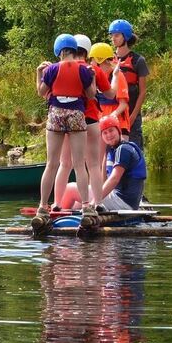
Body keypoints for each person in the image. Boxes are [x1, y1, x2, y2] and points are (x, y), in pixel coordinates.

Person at [33, 34, 97, 226]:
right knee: (79, 164)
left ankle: (43, 206)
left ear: (59, 51)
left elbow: (41, 92)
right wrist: (92, 78)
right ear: (74, 50)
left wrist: (39, 74)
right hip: (76, 114)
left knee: (52, 164)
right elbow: (91, 95)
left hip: (56, 114)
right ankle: (86, 205)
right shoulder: (84, 70)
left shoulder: (51, 70)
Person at [52, 35, 118, 211]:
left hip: (68, 122)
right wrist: (116, 76)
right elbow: (111, 94)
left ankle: (57, 203)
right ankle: (97, 203)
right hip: (90, 121)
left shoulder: (61, 68)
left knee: (65, 164)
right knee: (93, 164)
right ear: (87, 51)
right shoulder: (92, 69)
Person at [60, 115, 147, 212]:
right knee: (78, 203)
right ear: (101, 136)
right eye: (105, 133)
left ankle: (56, 217)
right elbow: (105, 181)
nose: (108, 135)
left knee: (70, 189)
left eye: (111, 130)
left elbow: (114, 179)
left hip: (122, 202)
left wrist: (94, 202)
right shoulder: (113, 150)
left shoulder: (123, 149)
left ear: (118, 130)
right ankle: (70, 215)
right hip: (123, 200)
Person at [109, 19, 150, 150]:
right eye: (112, 35)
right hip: (113, 112)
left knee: (134, 151)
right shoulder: (108, 59)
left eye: (116, 35)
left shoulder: (138, 60)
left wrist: (133, 116)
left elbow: (143, 91)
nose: (113, 38)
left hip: (132, 113)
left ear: (125, 36)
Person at [92, 42, 131, 140]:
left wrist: (111, 116)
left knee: (120, 153)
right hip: (102, 122)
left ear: (102, 61)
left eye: (93, 61)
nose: (91, 64)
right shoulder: (97, 76)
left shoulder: (118, 75)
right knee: (101, 155)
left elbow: (123, 104)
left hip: (119, 123)